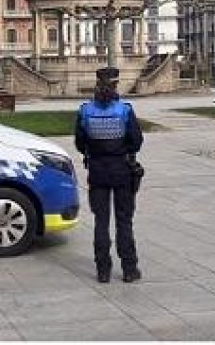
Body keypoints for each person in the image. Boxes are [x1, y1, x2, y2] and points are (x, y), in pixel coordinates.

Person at [74, 66, 144, 283]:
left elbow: (79, 142)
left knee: (101, 221)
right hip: (122, 170)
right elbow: (137, 141)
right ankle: (129, 269)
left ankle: (103, 270)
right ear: (115, 84)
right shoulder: (125, 110)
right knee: (124, 220)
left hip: (97, 171)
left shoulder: (85, 110)